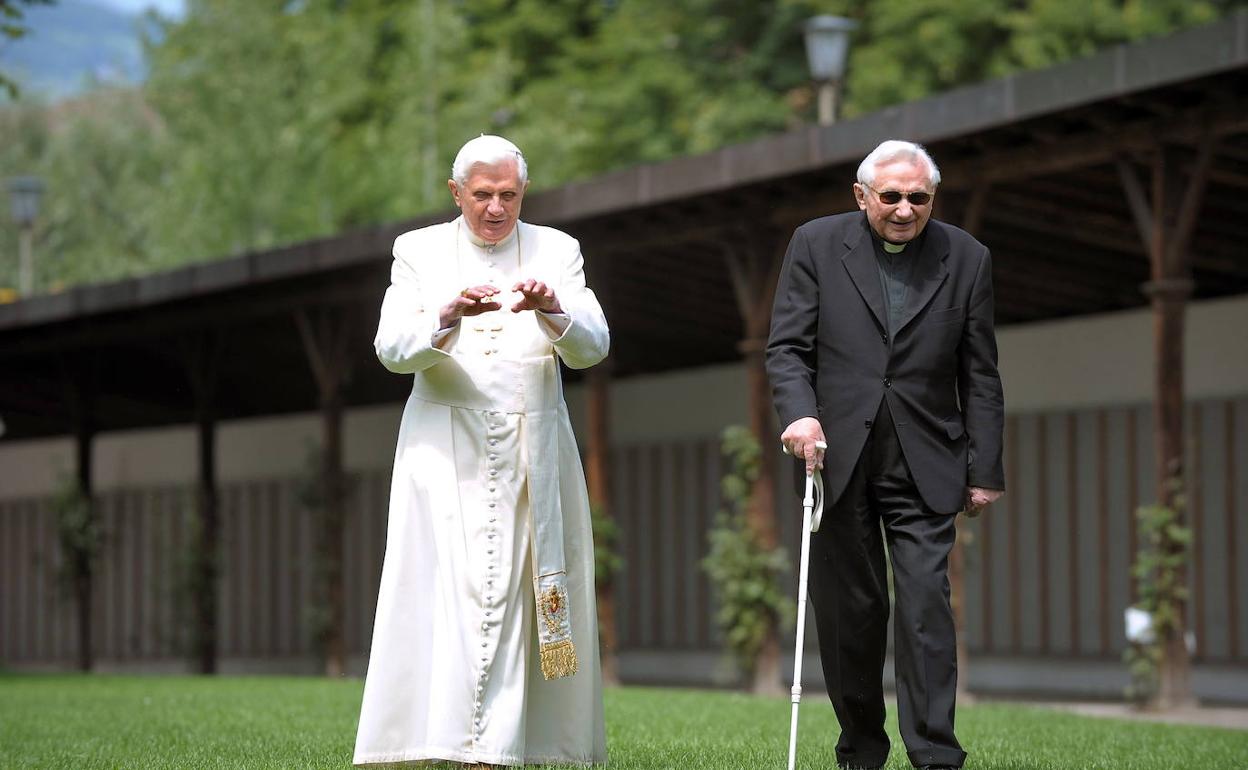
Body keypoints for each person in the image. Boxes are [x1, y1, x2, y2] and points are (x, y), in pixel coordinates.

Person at [354, 135, 609, 768]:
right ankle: (443, 738)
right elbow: (391, 349)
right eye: (483, 195)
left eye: (509, 195)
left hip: (534, 447)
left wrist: (553, 308)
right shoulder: (416, 251)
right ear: (455, 193)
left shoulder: (558, 249)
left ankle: (502, 748)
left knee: (519, 593)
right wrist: (444, 315)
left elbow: (596, 345)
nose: (496, 209)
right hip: (445, 450)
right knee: (452, 594)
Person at [766, 140, 1004, 770]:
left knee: (926, 603)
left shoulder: (968, 257)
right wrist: (799, 415)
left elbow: (980, 372)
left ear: (932, 199)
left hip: (927, 458)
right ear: (861, 195)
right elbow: (788, 348)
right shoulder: (815, 244)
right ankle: (862, 750)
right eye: (892, 196)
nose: (905, 209)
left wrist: (985, 470)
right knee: (852, 610)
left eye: (918, 198)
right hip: (835, 456)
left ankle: (935, 754)